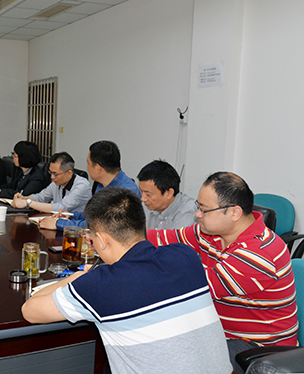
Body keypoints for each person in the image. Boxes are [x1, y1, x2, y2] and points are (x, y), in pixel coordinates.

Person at [22, 187, 232, 374]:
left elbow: (30, 310)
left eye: (92, 237)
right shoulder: (185, 256)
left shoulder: (100, 284)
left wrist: (77, 278)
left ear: (101, 239)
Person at [146, 172, 298, 374]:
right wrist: (122, 238)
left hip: (259, 348)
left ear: (234, 213)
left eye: (204, 209)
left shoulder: (259, 254)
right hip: (220, 330)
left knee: (165, 354)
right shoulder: (211, 233)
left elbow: (190, 288)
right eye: (198, 207)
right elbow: (162, 238)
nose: (197, 214)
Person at [41, 140, 140, 230]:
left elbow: (99, 225)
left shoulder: (125, 192)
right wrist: (72, 215)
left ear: (98, 168)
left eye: (88, 163)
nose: (87, 168)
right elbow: (95, 215)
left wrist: (58, 223)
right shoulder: (102, 184)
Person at [11, 152, 91, 213]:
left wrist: (28, 203)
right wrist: (24, 198)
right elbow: (40, 197)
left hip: (75, 226)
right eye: (50, 172)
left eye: (55, 174)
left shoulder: (81, 185)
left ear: (69, 173)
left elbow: (61, 207)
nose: (52, 177)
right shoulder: (56, 183)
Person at [137, 159, 197, 229]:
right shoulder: (146, 206)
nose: (142, 198)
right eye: (141, 191)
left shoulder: (187, 213)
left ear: (169, 193)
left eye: (148, 194)